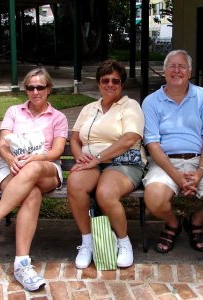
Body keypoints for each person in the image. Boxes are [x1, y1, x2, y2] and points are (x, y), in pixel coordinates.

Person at [0, 67, 68, 291]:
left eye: (40, 87)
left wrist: (36, 157)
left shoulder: (58, 117)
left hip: (47, 169)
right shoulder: (14, 111)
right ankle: (22, 265)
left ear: (49, 89)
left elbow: (58, 151)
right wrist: (10, 159)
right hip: (12, 168)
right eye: (30, 87)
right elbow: (3, 143)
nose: (35, 91)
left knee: (32, 170)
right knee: (30, 193)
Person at [141, 50, 203, 254]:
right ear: (164, 71)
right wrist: (177, 177)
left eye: (182, 66)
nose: (177, 70)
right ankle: (173, 224)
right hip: (165, 163)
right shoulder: (151, 101)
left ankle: (195, 220)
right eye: (172, 66)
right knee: (154, 198)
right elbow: (153, 145)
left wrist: (200, 172)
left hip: (200, 161)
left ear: (189, 71)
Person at [67, 60, 146, 269]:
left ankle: (124, 242)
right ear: (98, 83)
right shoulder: (89, 108)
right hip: (92, 164)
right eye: (105, 80)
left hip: (123, 162)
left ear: (122, 84)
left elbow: (130, 137)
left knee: (105, 193)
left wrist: (98, 158)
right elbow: (75, 138)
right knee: (75, 183)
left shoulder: (130, 106)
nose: (110, 84)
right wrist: (79, 157)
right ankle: (87, 242)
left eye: (115, 81)